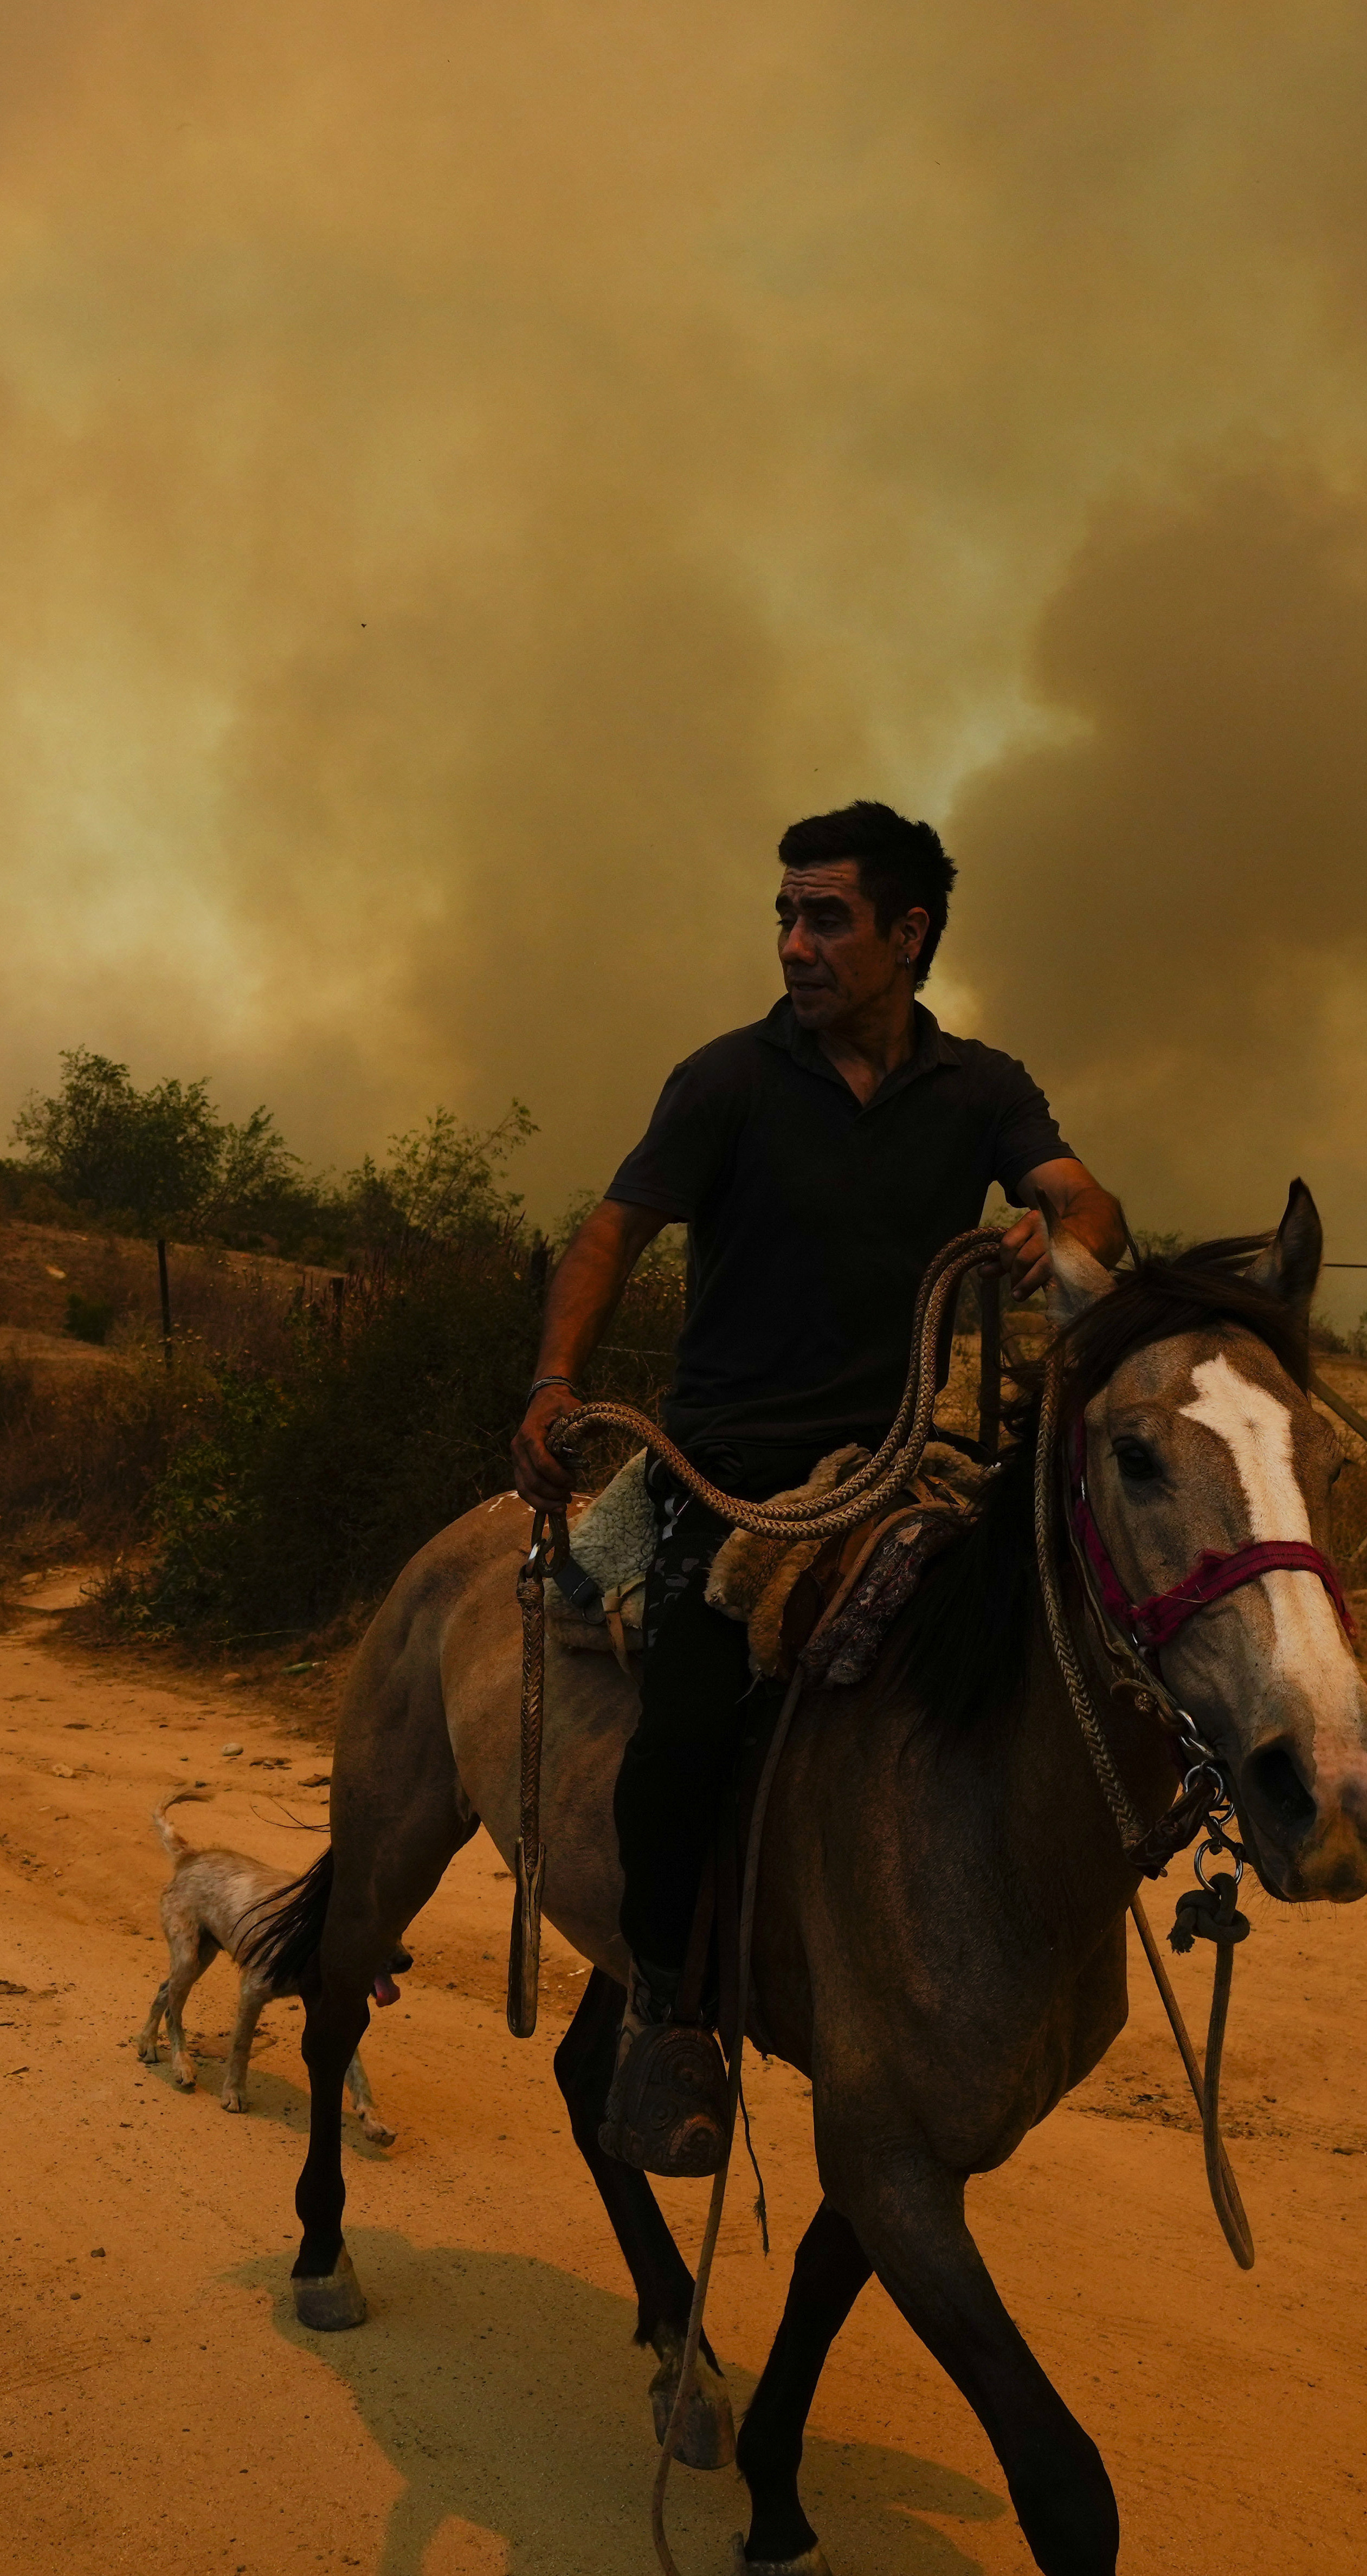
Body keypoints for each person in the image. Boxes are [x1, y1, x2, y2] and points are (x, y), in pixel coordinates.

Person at [511, 800, 1125, 2176]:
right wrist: (553, 1383)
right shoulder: (726, 1080)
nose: (793, 943)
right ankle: (669, 2013)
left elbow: (1090, 1204)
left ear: (909, 935)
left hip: (905, 1462)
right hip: (727, 1477)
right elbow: (614, 1231)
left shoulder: (977, 1089)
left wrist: (1052, 1226)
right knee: (683, 1729)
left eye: (825, 917)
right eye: (784, 915)